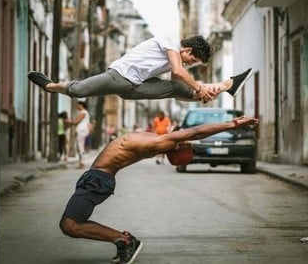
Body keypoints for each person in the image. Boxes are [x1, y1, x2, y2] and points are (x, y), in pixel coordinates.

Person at [58, 115, 259, 263]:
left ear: (177, 146)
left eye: (184, 143)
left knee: (70, 225)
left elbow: (197, 131)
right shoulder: (156, 140)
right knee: (70, 224)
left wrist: (234, 124)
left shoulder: (158, 142)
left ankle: (125, 240)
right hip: (97, 178)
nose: (185, 139)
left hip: (98, 179)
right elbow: (194, 134)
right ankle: (124, 240)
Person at [28, 36, 253, 103]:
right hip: (118, 77)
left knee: (182, 91)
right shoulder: (170, 40)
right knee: (78, 92)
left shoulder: (179, 55)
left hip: (135, 87)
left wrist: (199, 92)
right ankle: (51, 86)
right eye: (191, 59)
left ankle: (228, 85)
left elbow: (179, 78)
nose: (188, 64)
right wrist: (197, 87)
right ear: (187, 48)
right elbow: (177, 72)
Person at [65, 101, 90, 168]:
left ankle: (82, 163)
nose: (77, 106)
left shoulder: (83, 112)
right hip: (82, 130)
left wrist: (68, 121)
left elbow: (76, 121)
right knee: (80, 147)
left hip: (82, 130)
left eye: (78, 105)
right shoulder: (84, 112)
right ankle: (81, 163)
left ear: (81, 105)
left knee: (80, 147)